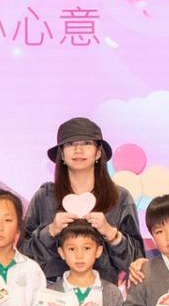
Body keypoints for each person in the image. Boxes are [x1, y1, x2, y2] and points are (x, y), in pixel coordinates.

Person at [21, 117, 143, 283]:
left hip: (104, 292)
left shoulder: (119, 198)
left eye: (86, 143)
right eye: (70, 144)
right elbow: (22, 257)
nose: (78, 150)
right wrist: (50, 231)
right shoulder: (45, 197)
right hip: (52, 293)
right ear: (61, 154)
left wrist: (111, 233)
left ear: (98, 152)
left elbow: (137, 262)